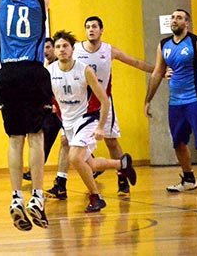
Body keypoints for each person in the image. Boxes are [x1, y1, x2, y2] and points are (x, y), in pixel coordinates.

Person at [46, 16, 154, 200]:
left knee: (109, 142)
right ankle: (63, 184)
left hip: (98, 104)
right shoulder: (73, 52)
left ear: (101, 30)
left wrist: (157, 70)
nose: (91, 30)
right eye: (87, 27)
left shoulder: (108, 51)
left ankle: (119, 182)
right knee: (80, 155)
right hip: (75, 107)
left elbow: (135, 62)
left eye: (94, 27)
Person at [0, 0, 52, 231]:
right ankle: (37, 197)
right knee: (36, 136)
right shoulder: (39, 3)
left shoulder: (2, 1)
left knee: (14, 138)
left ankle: (16, 196)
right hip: (32, 70)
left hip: (7, 72)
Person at [144, 9, 197, 195]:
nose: (175, 20)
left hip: (196, 99)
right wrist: (148, 100)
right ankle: (189, 179)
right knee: (178, 143)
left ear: (186, 23)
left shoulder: (196, 42)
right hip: (175, 102)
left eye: (179, 18)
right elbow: (157, 73)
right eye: (173, 17)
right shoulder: (163, 45)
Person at [23, 37, 61, 182]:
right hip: (51, 109)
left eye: (48, 47)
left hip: (60, 110)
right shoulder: (46, 67)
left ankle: (34, 171)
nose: (45, 51)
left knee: (50, 139)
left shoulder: (59, 67)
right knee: (50, 139)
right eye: (43, 48)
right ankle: (34, 171)